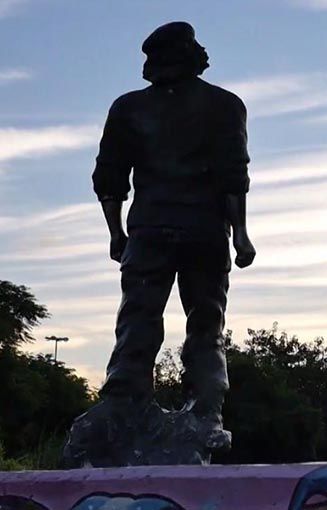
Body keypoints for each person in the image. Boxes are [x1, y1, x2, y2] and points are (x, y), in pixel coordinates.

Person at [91, 21, 255, 452]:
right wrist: (241, 235)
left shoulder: (127, 108)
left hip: (149, 229)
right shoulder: (225, 106)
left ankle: (123, 404)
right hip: (204, 230)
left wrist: (116, 231)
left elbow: (109, 177)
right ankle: (206, 411)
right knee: (206, 325)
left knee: (139, 319)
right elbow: (233, 177)